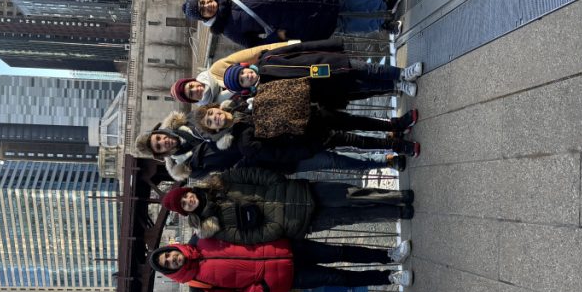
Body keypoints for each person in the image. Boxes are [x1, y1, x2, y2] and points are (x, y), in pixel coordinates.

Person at [148, 236, 413, 292]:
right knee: (337, 278)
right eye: (168, 264)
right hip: (283, 279)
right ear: (171, 272)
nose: (172, 259)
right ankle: (389, 278)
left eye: (169, 255)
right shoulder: (198, 287)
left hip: (284, 247)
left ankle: (389, 255)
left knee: (338, 250)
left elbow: (241, 229)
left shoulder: (202, 239)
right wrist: (258, 291)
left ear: (172, 249)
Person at [160, 167, 415, 244]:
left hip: (297, 192)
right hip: (298, 222)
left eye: (186, 196)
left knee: (351, 194)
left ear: (189, 191)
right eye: (184, 205)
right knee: (350, 218)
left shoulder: (221, 181)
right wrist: (278, 227)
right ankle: (397, 212)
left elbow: (254, 175)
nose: (189, 201)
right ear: (186, 212)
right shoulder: (213, 227)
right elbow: (250, 238)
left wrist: (276, 181)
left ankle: (395, 196)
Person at [135, 110, 408, 181]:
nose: (163, 142)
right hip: (275, 158)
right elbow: (231, 172)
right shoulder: (191, 169)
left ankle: (390, 135)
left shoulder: (193, 123)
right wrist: (248, 154)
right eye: (159, 146)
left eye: (159, 137)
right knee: (334, 160)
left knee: (341, 131)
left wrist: (246, 134)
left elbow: (229, 113)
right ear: (162, 154)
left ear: (163, 131)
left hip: (274, 129)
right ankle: (382, 160)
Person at [183, 0, 406, 47]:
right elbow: (255, 45)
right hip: (295, 25)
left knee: (342, 1)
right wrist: (275, 38)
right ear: (204, 18)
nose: (207, 6)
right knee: (341, 24)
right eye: (203, 10)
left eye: (203, 1)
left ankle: (384, 4)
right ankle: (383, 24)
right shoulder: (229, 30)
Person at [191, 101, 420, 160]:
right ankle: (397, 146)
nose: (215, 118)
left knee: (354, 120)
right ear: (215, 130)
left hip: (312, 116)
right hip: (311, 137)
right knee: (355, 140)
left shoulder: (240, 103)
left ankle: (395, 125)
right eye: (211, 123)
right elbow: (280, 154)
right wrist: (311, 148)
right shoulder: (243, 141)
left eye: (211, 114)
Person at [209, 37, 423, 100]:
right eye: (243, 80)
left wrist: (328, 46)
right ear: (245, 87)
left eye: (243, 73)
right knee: (364, 86)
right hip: (324, 88)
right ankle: (398, 85)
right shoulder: (264, 92)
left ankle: (402, 73)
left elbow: (301, 48)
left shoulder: (268, 58)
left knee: (368, 69)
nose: (247, 76)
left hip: (326, 64)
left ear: (245, 67)